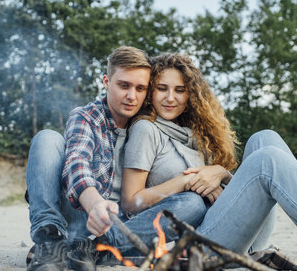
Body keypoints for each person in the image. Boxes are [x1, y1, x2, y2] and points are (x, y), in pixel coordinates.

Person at [121, 52, 297, 271]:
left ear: (191, 94)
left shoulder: (194, 133)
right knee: (266, 161)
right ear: (150, 92)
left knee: (264, 138)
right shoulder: (147, 129)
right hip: (198, 247)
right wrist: (186, 181)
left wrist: (219, 171)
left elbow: (230, 194)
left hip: (236, 236)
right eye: (162, 88)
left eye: (180, 90)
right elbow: (131, 202)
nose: (171, 98)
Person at [25, 47, 208, 271]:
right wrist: (95, 205)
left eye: (140, 88)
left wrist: (215, 171)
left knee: (193, 204)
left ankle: (95, 250)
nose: (132, 96)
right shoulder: (87, 117)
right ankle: (50, 242)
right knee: (47, 138)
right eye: (124, 85)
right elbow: (76, 163)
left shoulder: (150, 125)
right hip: (83, 213)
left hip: (123, 226)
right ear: (107, 81)